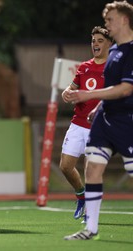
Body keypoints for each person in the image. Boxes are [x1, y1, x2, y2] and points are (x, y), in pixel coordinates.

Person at [64, 0, 133, 240]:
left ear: (124, 20)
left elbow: (125, 89)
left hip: (127, 120)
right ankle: (91, 228)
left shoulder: (131, 51)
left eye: (110, 20)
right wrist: (99, 107)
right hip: (104, 119)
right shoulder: (114, 52)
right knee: (92, 167)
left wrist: (89, 95)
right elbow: (112, 87)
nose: (107, 25)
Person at [59, 26, 112, 222]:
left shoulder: (113, 67)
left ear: (109, 43)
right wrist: (67, 92)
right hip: (78, 123)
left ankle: (91, 210)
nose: (95, 44)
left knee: (91, 170)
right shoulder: (84, 66)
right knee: (65, 166)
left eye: (99, 40)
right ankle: (81, 196)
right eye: (93, 41)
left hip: (99, 126)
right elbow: (72, 87)